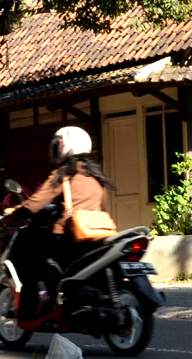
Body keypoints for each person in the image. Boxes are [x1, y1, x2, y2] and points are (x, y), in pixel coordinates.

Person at [6, 126, 114, 318]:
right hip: (98, 235)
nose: (55, 149)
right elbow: (102, 206)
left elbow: (35, 204)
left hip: (70, 235)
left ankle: (41, 297)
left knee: (26, 248)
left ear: (67, 146)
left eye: (58, 144)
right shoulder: (96, 175)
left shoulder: (64, 174)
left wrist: (14, 214)